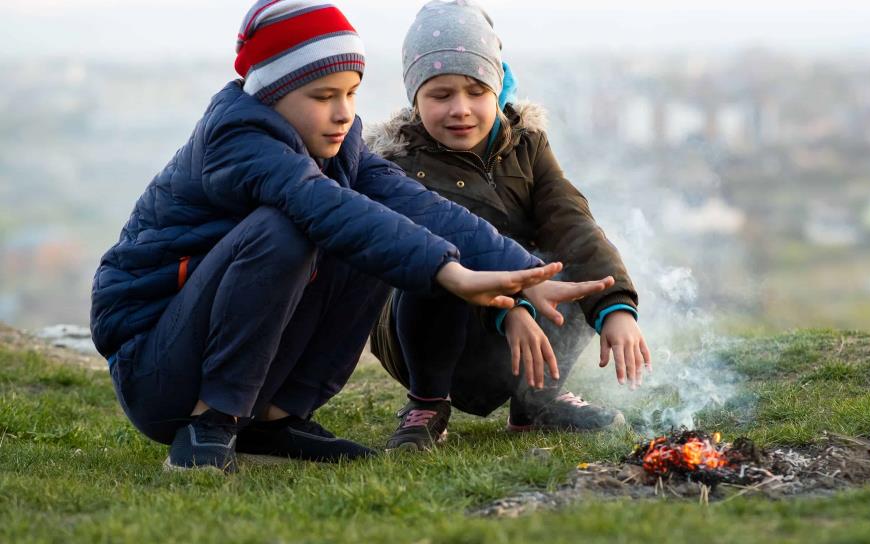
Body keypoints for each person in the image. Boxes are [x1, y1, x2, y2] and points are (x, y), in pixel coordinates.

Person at [90, 0, 607, 473]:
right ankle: (211, 423)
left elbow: (418, 205)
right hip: (156, 373)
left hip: (203, 354)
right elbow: (325, 207)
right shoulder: (239, 136)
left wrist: (524, 276)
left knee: (375, 230)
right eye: (323, 96)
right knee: (290, 228)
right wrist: (450, 272)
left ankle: (274, 420)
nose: (343, 112)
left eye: (351, 94)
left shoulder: (338, 143)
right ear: (272, 95)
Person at [367, 0, 652, 451]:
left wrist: (615, 306)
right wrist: (510, 308)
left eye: (476, 91)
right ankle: (427, 403)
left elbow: (571, 222)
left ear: (497, 88)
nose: (461, 109)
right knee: (432, 265)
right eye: (440, 95)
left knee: (565, 264)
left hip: (522, 318)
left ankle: (537, 400)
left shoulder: (528, 146)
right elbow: (452, 245)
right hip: (427, 331)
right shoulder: (398, 164)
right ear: (414, 96)